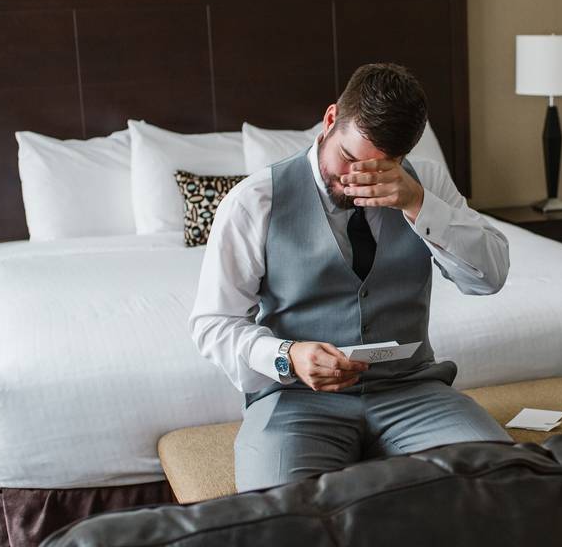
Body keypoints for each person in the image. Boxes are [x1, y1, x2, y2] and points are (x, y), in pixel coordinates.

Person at [189, 63, 512, 492]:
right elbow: (212, 323)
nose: (355, 177)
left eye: (383, 167)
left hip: (413, 390)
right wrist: (286, 355)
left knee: (507, 484)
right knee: (283, 515)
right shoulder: (254, 201)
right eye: (349, 157)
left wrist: (418, 204)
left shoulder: (426, 182)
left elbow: (489, 277)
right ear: (329, 122)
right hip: (295, 400)